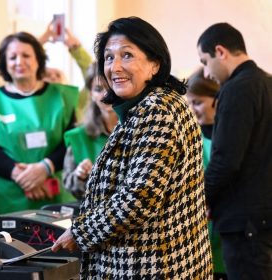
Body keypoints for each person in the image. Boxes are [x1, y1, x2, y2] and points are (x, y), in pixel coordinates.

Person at [51, 17, 212, 278]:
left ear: (154, 64)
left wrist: (80, 232)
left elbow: (139, 197)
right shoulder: (145, 107)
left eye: (127, 55)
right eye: (108, 57)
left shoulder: (157, 110)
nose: (114, 67)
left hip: (152, 264)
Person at [0, 31, 79, 218]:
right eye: (12, 57)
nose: (19, 62)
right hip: (4, 196)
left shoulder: (61, 97)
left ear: (38, 59)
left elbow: (71, 143)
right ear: (4, 63)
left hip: (52, 191)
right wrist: (24, 177)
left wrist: (44, 169)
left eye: (26, 55)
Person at [197, 23, 272, 279]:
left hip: (244, 221)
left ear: (220, 52)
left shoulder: (236, 88)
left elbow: (226, 160)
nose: (206, 73)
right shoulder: (267, 83)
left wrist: (202, 198)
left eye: (204, 61)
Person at [186, 68, 226, 280]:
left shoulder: (232, 137)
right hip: (199, 244)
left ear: (217, 99)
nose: (193, 110)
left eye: (198, 102)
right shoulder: (190, 137)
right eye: (189, 103)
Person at [62, 62, 117, 199]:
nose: (106, 95)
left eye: (111, 88)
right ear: (91, 94)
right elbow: (69, 184)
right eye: (98, 89)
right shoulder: (77, 137)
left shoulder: (139, 130)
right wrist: (79, 175)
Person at [39, 22, 93, 121]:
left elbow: (93, 76)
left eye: (58, 75)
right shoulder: (34, 101)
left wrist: (76, 49)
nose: (53, 77)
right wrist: (40, 42)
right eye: (47, 75)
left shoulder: (76, 101)